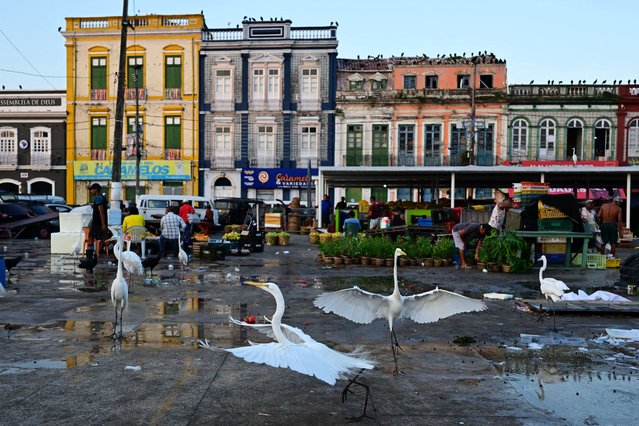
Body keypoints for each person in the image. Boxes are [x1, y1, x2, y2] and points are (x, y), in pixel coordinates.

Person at [87, 183, 108, 258]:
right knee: (100, 237)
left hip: (97, 222)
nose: (91, 191)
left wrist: (103, 224)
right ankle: (95, 254)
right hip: (100, 222)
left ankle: (89, 256)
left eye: (91, 190)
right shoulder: (103, 198)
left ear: (96, 190)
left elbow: (101, 211)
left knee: (91, 237)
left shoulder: (98, 198)